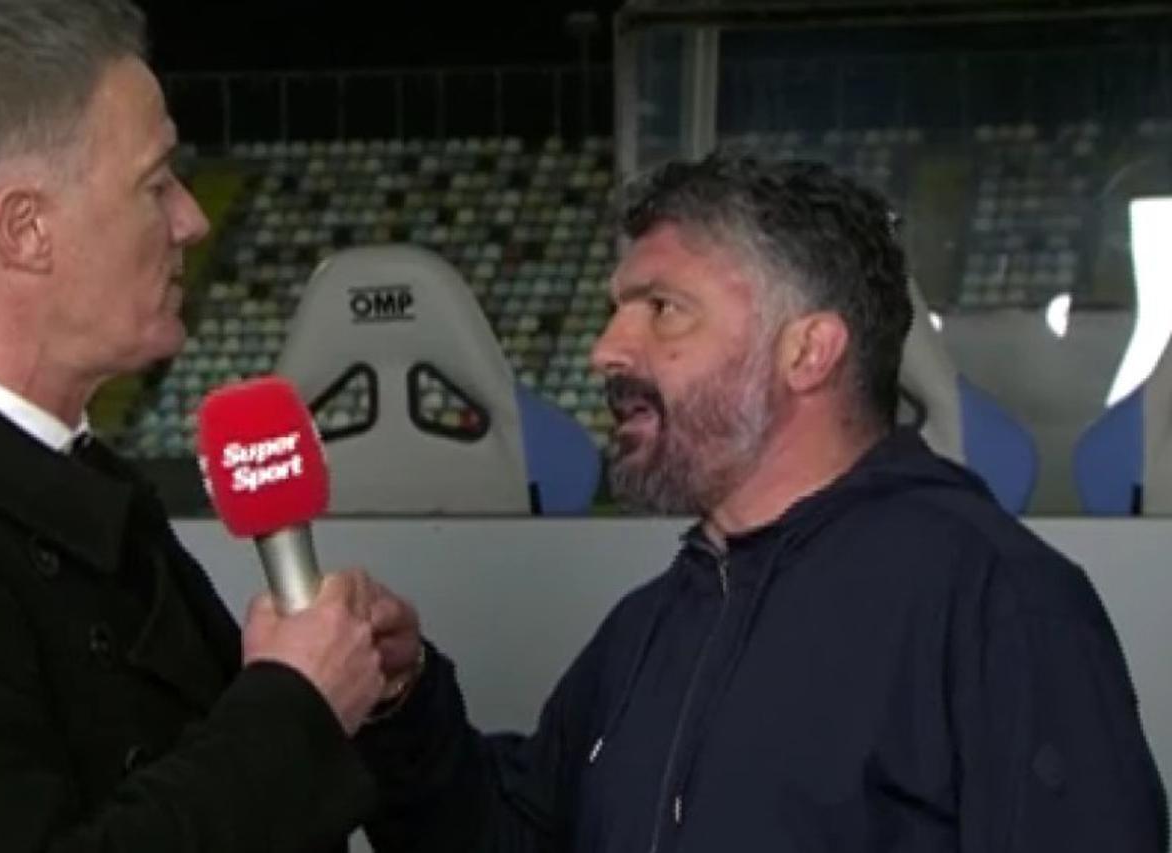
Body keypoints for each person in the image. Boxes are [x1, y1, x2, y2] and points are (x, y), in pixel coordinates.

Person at [358, 151, 1170, 851]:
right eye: (616, 310)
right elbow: (521, 835)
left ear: (807, 350)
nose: (607, 349)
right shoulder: (652, 625)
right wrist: (403, 700)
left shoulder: (998, 603)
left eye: (662, 309)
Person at [0, 1, 395, 850]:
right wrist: (292, 706)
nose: (192, 220)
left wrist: (355, 682)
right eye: (156, 183)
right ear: (25, 229)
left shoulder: (81, 480)